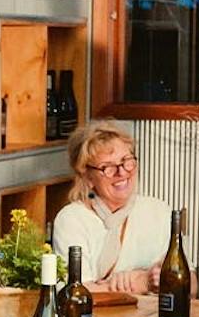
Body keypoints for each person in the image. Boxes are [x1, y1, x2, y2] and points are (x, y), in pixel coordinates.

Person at [50, 120, 172, 295]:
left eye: (126, 161)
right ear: (87, 177)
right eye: (107, 167)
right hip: (97, 313)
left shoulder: (158, 211)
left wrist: (166, 279)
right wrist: (140, 283)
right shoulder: (72, 220)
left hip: (154, 312)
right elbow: (74, 293)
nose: (121, 172)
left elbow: (191, 285)